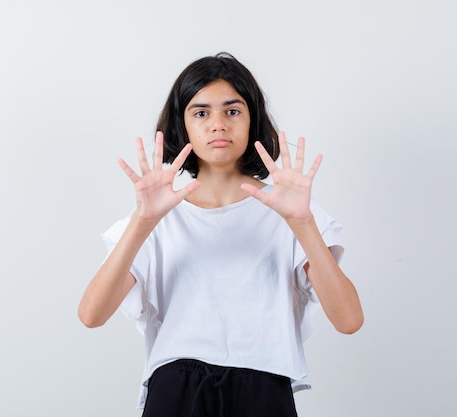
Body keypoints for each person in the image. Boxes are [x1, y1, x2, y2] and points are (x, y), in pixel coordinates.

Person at [78, 52, 363, 417]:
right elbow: (91, 314)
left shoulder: (290, 210)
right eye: (201, 112)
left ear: (252, 120)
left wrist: (303, 224)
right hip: (176, 389)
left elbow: (349, 320)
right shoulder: (158, 216)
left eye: (232, 111)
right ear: (182, 126)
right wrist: (142, 223)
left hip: (264, 387)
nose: (217, 124)